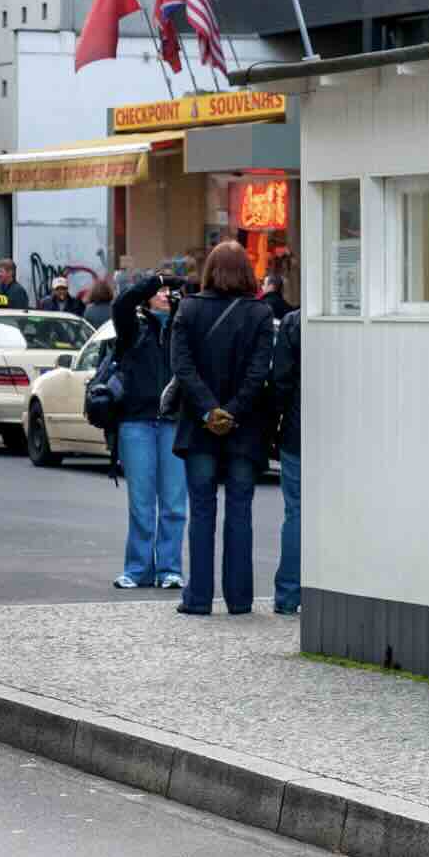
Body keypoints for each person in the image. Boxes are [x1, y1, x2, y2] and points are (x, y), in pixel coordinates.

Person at [169, 242, 277, 616]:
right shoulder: (261, 313)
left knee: (200, 511)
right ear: (247, 272)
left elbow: (182, 368)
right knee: (240, 512)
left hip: (200, 430)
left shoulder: (189, 308)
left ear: (210, 270)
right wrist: (231, 411)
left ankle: (198, 598)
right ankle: (240, 599)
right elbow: (259, 373)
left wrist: (208, 410)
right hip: (244, 429)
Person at [109, 273, 188, 590]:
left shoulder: (182, 328)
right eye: (160, 291)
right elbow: (121, 302)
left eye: (170, 291)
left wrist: (182, 291)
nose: (165, 294)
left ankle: (169, 568)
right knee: (141, 503)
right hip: (137, 422)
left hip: (174, 422)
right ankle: (138, 568)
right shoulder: (133, 327)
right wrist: (156, 278)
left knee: (173, 503)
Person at [271, 308, 301, 615]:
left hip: (297, 432)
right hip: (346, 438)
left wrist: (274, 425)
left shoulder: (294, 323)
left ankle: (289, 595)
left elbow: (280, 381)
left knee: (297, 512)